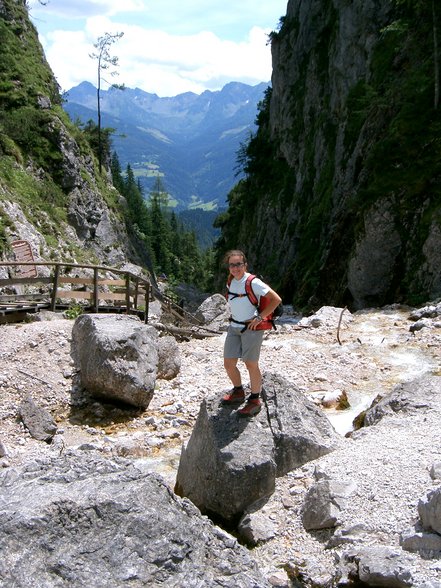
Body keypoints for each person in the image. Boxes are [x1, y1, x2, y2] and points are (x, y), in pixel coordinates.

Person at [221, 249, 282, 417]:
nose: (235, 268)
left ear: (245, 265)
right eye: (232, 265)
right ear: (229, 267)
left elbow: (276, 299)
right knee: (229, 363)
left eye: (238, 264)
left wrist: (261, 317)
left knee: (250, 364)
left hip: (252, 329)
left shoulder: (253, 282)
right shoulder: (231, 281)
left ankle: (255, 400)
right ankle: (238, 391)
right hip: (234, 327)